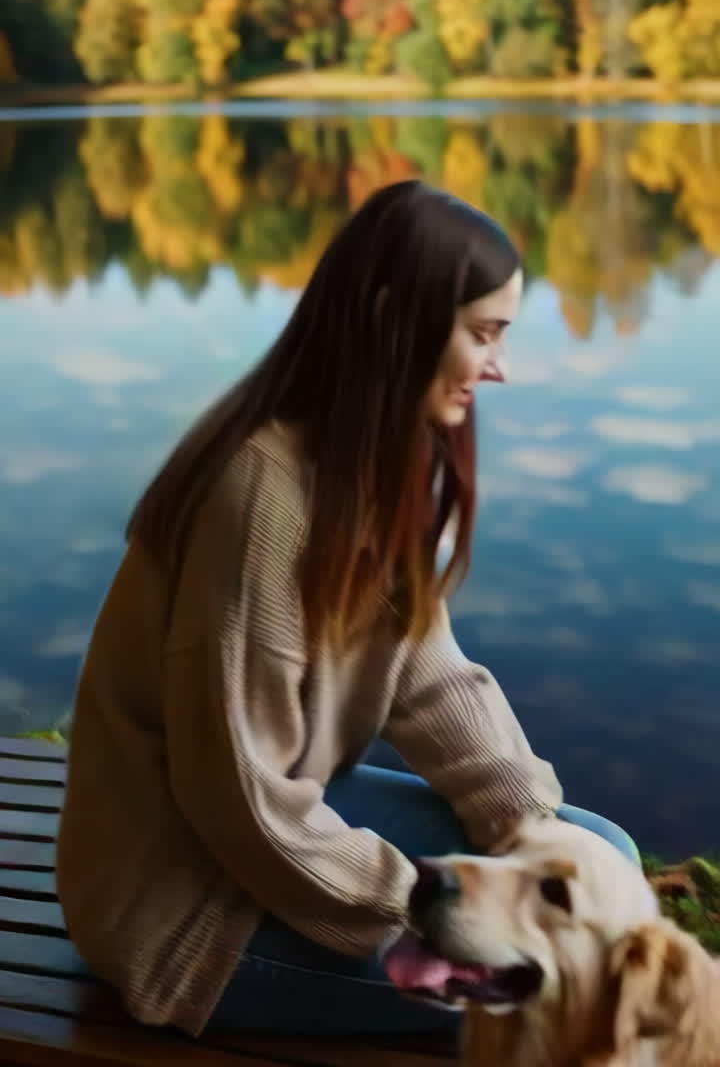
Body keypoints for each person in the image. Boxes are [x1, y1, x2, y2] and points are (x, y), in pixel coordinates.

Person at [56, 179, 638, 1043]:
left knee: (603, 855)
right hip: (186, 907)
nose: (499, 367)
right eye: (482, 335)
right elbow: (238, 800)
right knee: (560, 992)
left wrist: (529, 828)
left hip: (271, 834)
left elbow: (429, 677)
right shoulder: (261, 495)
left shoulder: (364, 461)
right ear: (391, 317)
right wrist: (428, 904)